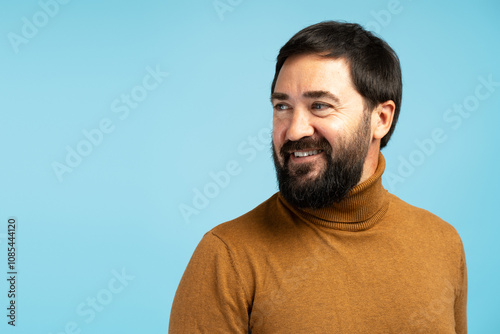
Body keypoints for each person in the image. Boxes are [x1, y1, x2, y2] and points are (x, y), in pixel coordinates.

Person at [169, 21, 467, 333]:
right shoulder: (226, 257)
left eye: (320, 106)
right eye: (282, 106)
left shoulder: (443, 244)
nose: (295, 129)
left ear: (380, 119)